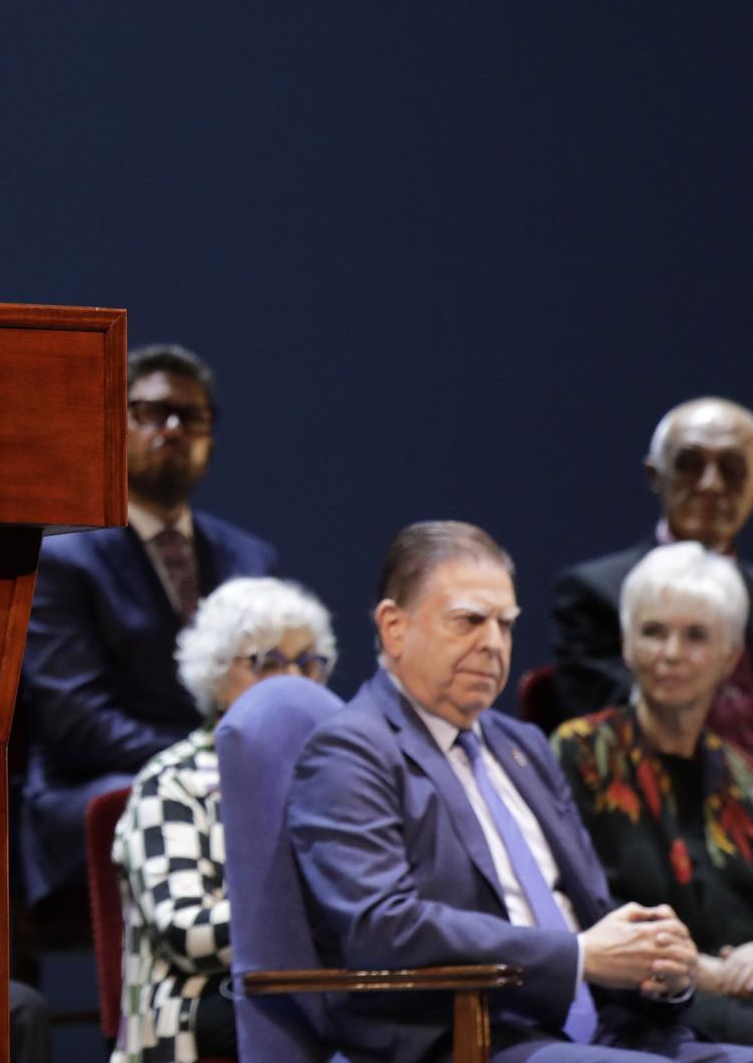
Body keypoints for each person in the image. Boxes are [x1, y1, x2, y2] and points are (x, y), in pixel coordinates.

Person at [290, 519, 753, 1062]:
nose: (492, 644)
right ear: (394, 628)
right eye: (469, 621)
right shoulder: (351, 750)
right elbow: (382, 927)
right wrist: (577, 956)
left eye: (505, 625)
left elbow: (592, 910)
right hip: (471, 1035)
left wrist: (658, 965)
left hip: (608, 1030)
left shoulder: (522, 745)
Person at [18, 343, 278, 907]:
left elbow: (272, 696)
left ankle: (312, 990)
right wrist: (204, 762)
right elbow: (75, 722)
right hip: (91, 788)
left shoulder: (249, 559)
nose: (172, 428)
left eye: (191, 416)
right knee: (176, 805)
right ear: (116, 426)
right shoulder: (64, 555)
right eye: (150, 412)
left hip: (219, 780)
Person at [111, 576, 336, 1063]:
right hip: (197, 1000)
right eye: (268, 663)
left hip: (315, 980)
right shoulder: (173, 782)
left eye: (308, 663)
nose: (293, 681)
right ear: (216, 678)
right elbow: (186, 933)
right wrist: (310, 920)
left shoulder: (340, 774)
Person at [556, 542, 753, 1044]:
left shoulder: (740, 773)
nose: (671, 653)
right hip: (639, 1008)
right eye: (653, 632)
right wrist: (703, 971)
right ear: (625, 644)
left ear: (730, 656)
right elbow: (582, 903)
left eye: (695, 636)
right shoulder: (579, 752)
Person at [554, 398, 753, 748]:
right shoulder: (594, 593)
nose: (710, 484)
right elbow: (608, 727)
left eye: (732, 469)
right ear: (654, 474)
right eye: (690, 464)